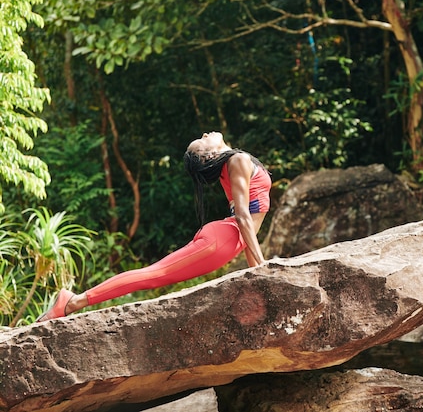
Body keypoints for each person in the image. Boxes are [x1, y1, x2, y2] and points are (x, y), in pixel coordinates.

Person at [37, 131, 271, 322]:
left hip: (227, 240)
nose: (205, 133)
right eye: (202, 141)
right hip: (221, 240)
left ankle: (72, 301)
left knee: (155, 275)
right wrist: (262, 268)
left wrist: (257, 273)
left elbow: (247, 223)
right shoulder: (236, 161)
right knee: (153, 275)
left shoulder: (230, 164)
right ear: (210, 156)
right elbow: (242, 217)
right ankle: (73, 302)